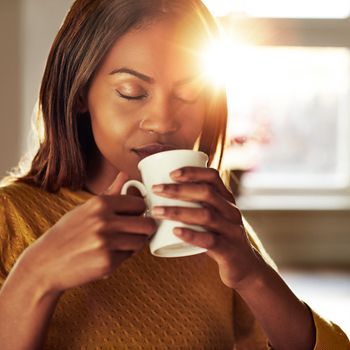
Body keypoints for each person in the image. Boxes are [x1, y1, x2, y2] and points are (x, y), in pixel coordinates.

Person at [0, 0, 349, 349]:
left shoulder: (212, 222)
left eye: (189, 93)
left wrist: (252, 275)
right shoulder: (9, 220)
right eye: (132, 92)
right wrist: (35, 277)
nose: (164, 122)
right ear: (79, 92)